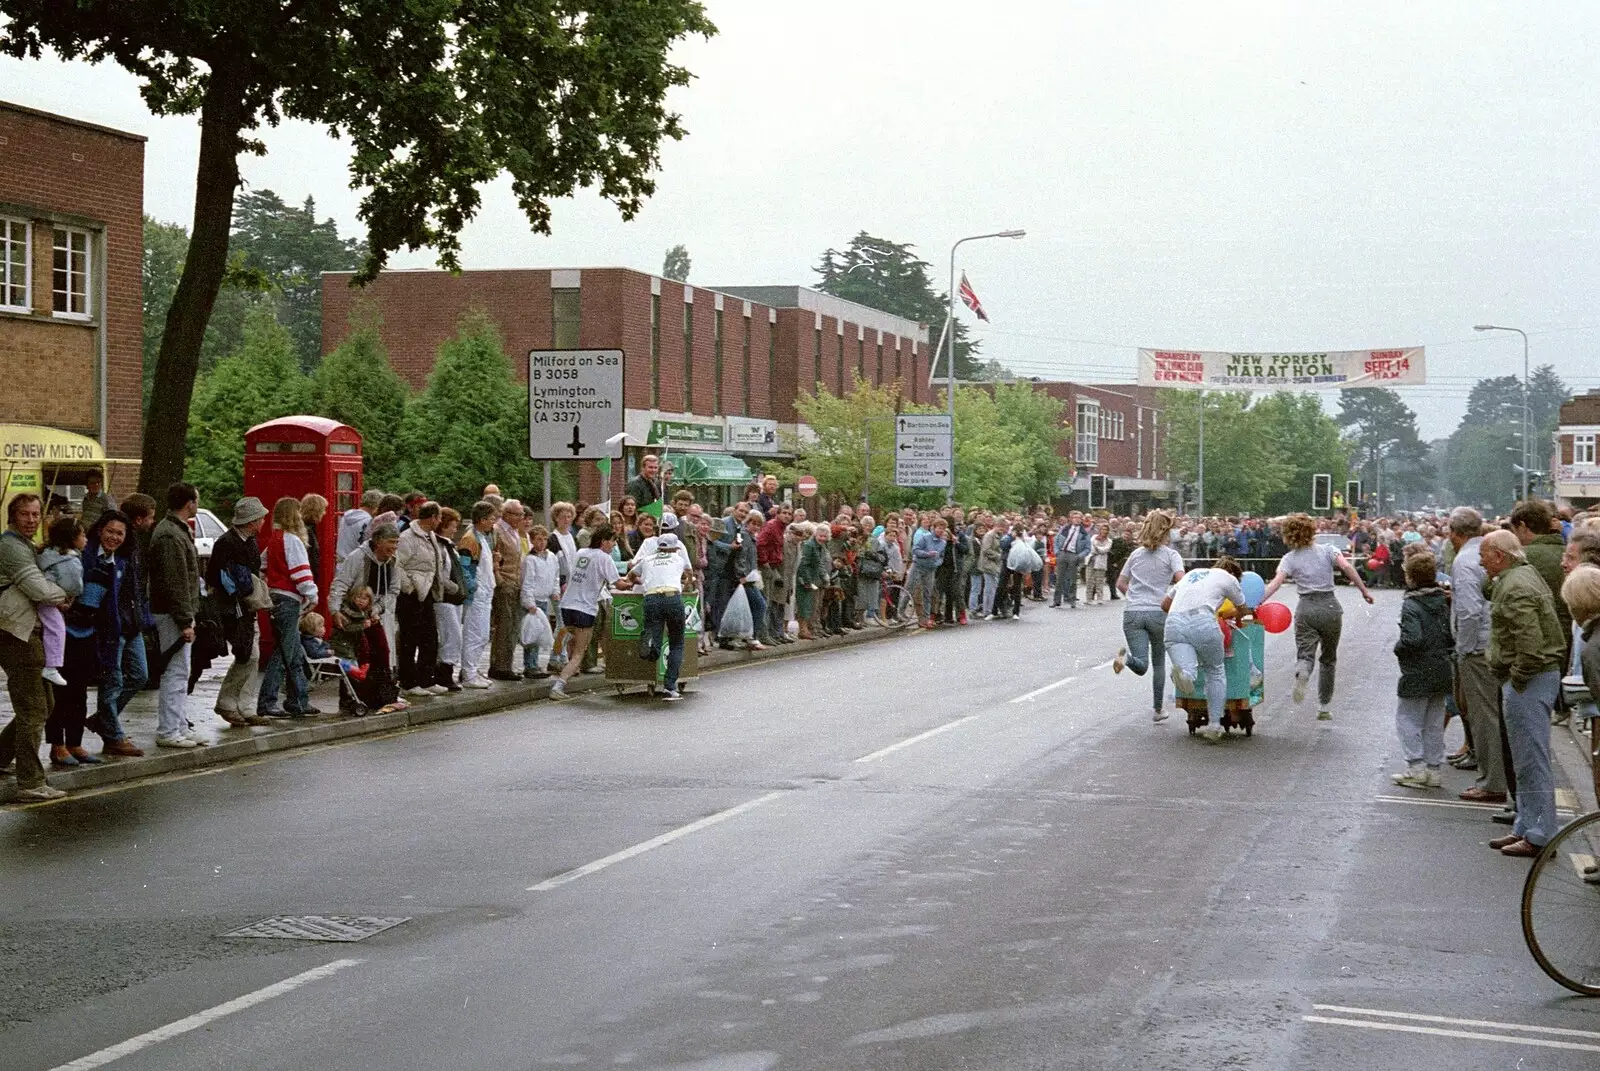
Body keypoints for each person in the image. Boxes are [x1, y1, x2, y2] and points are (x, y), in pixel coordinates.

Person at [1481, 529, 1566, 858]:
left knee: (1532, 760)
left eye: (1485, 556)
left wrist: (1516, 679)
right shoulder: (1520, 576)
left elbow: (1529, 646)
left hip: (1530, 679)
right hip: (1532, 677)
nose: (1481, 562)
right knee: (1525, 759)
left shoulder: (1516, 585)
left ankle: (1541, 833)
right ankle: (1525, 825)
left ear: (1499, 556)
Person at [1261, 513, 1373, 721]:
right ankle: (1324, 705)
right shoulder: (1328, 550)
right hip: (1330, 605)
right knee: (1329, 658)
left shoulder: (1289, 559)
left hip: (1306, 607)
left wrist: (1258, 602)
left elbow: (1276, 582)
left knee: (1306, 653)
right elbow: (1347, 567)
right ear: (1312, 531)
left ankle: (1303, 671)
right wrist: (1364, 590)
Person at [0, 494, 71, 798]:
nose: (31, 520)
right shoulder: (11, 547)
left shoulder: (24, 546)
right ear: (11, 516)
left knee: (44, 705)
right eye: (24, 514)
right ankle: (30, 782)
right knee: (33, 708)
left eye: (35, 515)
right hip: (19, 632)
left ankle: (1, 757)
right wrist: (64, 594)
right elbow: (37, 589)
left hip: (29, 631)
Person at [1446, 507, 1508, 805]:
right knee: (1493, 715)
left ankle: (1492, 782)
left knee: (1484, 717)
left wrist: (1464, 648)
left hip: (1477, 647)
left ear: (1453, 532)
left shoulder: (1463, 561)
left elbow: (1469, 611)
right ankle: (1496, 778)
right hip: (1493, 641)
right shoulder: (1481, 556)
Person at [145, 483, 205, 748]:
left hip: (176, 612)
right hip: (171, 614)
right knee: (176, 672)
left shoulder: (175, 530)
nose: (197, 504)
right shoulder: (171, 535)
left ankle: (179, 725)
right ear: (189, 503)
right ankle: (169, 730)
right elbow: (176, 581)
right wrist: (185, 620)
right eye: (196, 500)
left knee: (181, 671)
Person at [1164, 556, 1248, 742]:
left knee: (1188, 670)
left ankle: (1185, 675)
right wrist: (1239, 619)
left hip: (1174, 622)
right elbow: (1242, 608)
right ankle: (1214, 725)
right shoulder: (1229, 578)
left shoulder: (1193, 573)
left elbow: (1165, 605)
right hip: (1203, 620)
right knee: (1215, 671)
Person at [1390, 552, 1455, 789]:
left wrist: (1399, 648)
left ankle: (1415, 767)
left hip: (1418, 668)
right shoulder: (1443, 599)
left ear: (1410, 577)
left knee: (1407, 718)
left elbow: (1412, 639)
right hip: (1442, 665)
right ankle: (1434, 769)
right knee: (1434, 721)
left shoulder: (1412, 603)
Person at [1113, 510, 1185, 722]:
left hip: (1133, 612)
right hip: (1158, 611)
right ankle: (1157, 709)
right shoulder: (1171, 555)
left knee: (1141, 663)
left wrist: (1133, 597)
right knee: (1159, 663)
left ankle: (1127, 659)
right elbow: (1182, 581)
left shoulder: (1135, 554)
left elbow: (1120, 583)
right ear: (1166, 532)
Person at [205, 496, 269, 726]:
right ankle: (228, 702)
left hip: (249, 606)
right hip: (232, 607)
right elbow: (215, 576)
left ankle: (244, 705)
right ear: (251, 521)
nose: (263, 521)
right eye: (260, 517)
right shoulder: (226, 543)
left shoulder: (251, 542)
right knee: (247, 654)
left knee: (253, 655)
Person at [257, 496, 320, 721]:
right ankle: (270, 701)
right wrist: (312, 595)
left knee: (291, 652)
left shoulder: (275, 539)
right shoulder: (293, 540)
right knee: (284, 653)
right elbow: (300, 572)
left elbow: (262, 564)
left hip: (276, 597)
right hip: (289, 599)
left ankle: (298, 700)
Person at [549, 524, 621, 700]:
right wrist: (635, 577)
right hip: (585, 608)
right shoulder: (604, 558)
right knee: (580, 652)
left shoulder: (581, 552)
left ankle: (561, 654)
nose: (613, 545)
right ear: (604, 541)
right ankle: (559, 686)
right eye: (612, 541)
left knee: (573, 641)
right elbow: (618, 584)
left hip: (567, 605)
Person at [623, 530, 695, 700]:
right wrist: (684, 585)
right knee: (676, 642)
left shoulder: (647, 559)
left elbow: (630, 576)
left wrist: (643, 581)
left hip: (651, 597)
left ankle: (650, 647)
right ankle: (670, 686)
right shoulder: (679, 559)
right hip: (672, 598)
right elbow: (690, 575)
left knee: (653, 630)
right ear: (675, 548)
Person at [37, 515, 85, 689]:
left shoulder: (48, 553)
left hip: (46, 597)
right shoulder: (70, 559)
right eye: (83, 535)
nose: (85, 539)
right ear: (73, 538)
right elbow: (74, 584)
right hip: (51, 600)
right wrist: (72, 595)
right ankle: (52, 666)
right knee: (57, 628)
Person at [432, 507, 467, 692]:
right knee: (451, 635)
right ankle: (443, 673)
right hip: (444, 598)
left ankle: (446, 671)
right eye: (453, 526)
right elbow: (440, 573)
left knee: (453, 635)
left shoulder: (448, 545)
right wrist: (453, 587)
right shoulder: (440, 546)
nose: (455, 529)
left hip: (454, 599)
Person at [520, 524, 561, 678]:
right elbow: (528, 582)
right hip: (534, 601)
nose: (542, 543)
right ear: (532, 540)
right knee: (532, 633)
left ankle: (535, 663)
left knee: (539, 633)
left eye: (544, 539)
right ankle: (529, 665)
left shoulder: (552, 557)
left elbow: (555, 576)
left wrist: (555, 591)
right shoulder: (530, 560)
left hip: (545, 599)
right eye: (538, 539)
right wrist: (529, 602)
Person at [909, 517, 948, 629]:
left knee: (928, 594)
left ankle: (925, 618)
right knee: (911, 589)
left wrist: (937, 563)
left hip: (930, 570)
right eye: (939, 528)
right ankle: (900, 613)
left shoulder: (943, 542)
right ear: (933, 528)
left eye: (943, 529)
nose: (941, 531)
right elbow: (915, 550)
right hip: (918, 567)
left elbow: (941, 557)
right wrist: (927, 554)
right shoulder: (925, 538)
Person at [336, 489, 383, 566]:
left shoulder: (346, 516)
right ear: (376, 506)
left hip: (341, 563)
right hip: (356, 565)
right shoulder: (368, 521)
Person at [1053, 512, 1090, 608]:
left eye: (1079, 518)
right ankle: (1056, 601)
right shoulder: (1064, 529)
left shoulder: (1084, 533)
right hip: (1062, 553)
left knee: (1072, 579)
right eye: (1075, 518)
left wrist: (1079, 556)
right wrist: (1057, 551)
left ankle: (1072, 600)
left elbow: (1088, 548)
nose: (1076, 519)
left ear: (1081, 520)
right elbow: (1056, 540)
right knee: (1059, 578)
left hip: (1073, 554)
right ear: (1071, 519)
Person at [300, 494, 329, 586]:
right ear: (315, 511)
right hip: (306, 582)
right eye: (322, 510)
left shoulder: (306, 528)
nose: (324, 513)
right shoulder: (306, 531)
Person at [1086, 523, 1112, 604]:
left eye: (1106, 529)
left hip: (1101, 562)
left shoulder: (1109, 541)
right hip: (1091, 560)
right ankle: (1088, 599)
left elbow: (1105, 550)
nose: (1104, 531)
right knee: (1089, 580)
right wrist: (1097, 548)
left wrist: (1097, 547)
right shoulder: (1094, 537)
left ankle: (1100, 598)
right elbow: (1091, 548)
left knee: (1099, 581)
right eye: (1102, 529)